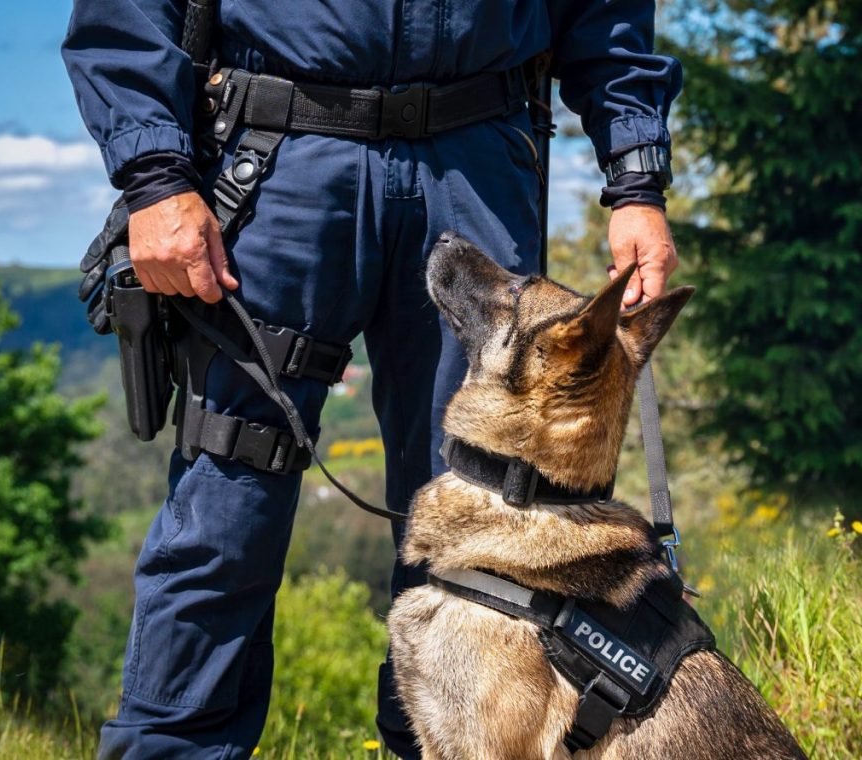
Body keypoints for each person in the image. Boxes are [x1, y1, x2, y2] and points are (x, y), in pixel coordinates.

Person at [62, 2, 681, 758]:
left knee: (489, 529)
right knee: (227, 510)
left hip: (478, 154)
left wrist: (636, 175)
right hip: (281, 154)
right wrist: (156, 178)